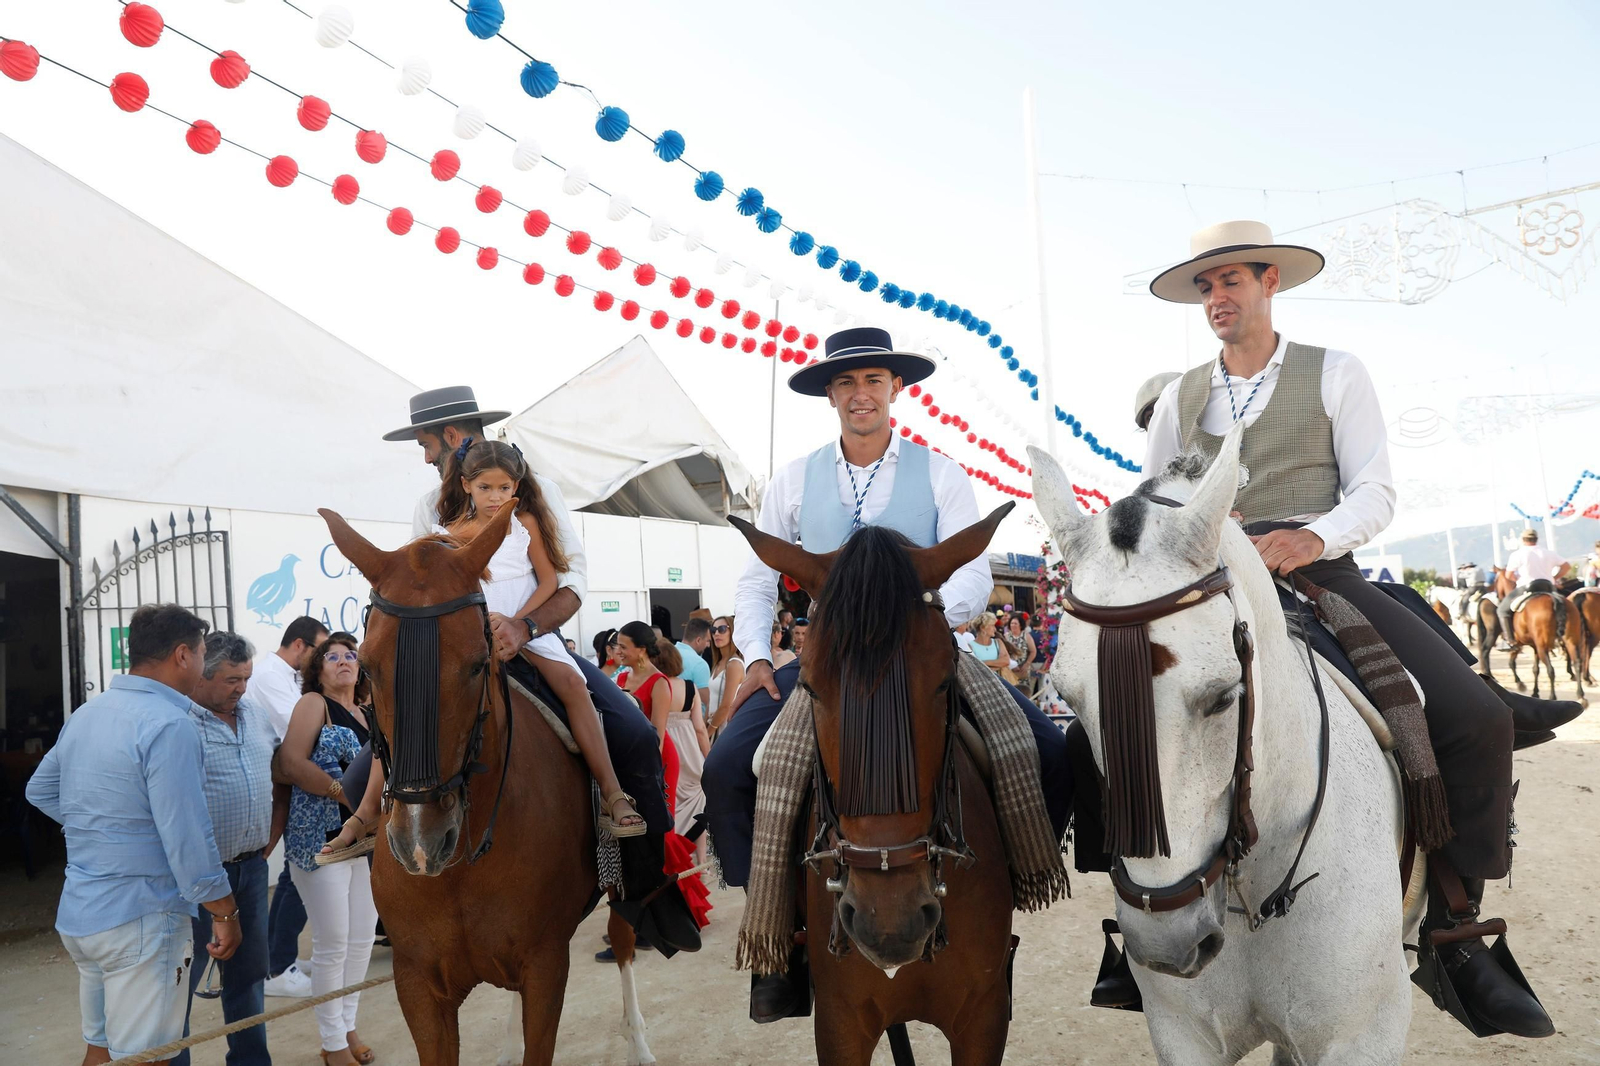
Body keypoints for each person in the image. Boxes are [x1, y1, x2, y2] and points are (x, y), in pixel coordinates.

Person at [1141, 219, 1563, 1037]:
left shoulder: (1335, 371)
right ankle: (1131, 931)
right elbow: (1157, 499)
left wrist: (1312, 537)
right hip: (1209, 584)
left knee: (1474, 720)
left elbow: (1376, 490)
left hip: (1315, 568)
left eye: (1230, 281)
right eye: (1205, 287)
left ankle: (1457, 931)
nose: (1216, 298)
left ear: (1270, 283)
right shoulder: (1176, 397)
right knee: (1119, 715)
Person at [703, 326, 1072, 1023]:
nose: (860, 393)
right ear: (831, 395)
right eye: (846, 383)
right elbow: (757, 578)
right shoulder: (792, 479)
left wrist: (925, 612)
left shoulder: (939, 472)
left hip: (922, 650)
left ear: (895, 389)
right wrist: (755, 656)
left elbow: (970, 572)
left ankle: (1007, 903)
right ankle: (780, 939)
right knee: (729, 767)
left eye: (873, 380)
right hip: (833, 662)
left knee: (1046, 751)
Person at [387, 387, 696, 950]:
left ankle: (643, 887)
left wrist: (524, 628)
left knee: (632, 733)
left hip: (536, 634)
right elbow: (427, 588)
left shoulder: (538, 496)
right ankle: (369, 833)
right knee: (385, 744)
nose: (425, 457)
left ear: (453, 437)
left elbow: (570, 580)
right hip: (461, 653)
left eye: (427, 444)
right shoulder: (428, 509)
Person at [27, 604, 241, 1066]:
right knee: (147, 1059)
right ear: (183, 655)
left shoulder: (89, 712)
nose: (203, 665)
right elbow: (187, 835)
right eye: (203, 653)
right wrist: (224, 910)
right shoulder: (169, 723)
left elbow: (40, 789)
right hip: (142, 919)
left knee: (101, 1049)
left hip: (85, 915)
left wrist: (105, 825)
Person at [435, 439, 645, 838]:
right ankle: (378, 806)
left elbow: (550, 580)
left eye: (504, 488)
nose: (496, 497)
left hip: (529, 629)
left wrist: (518, 624)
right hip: (472, 636)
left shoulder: (525, 523)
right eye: (485, 488)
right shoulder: (450, 532)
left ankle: (613, 792)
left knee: (571, 683)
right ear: (465, 485)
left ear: (516, 485)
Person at [173, 633, 285, 1066]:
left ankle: (251, 1061)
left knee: (248, 975)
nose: (241, 688)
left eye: (246, 678)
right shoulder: (179, 722)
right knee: (179, 981)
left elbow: (279, 775)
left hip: (252, 870)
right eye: (231, 679)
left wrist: (273, 829)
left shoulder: (255, 715)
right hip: (199, 877)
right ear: (202, 676)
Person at [277, 633, 378, 1066]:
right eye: (331, 656)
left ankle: (347, 1026)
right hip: (319, 837)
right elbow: (291, 762)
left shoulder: (371, 712)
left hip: (368, 841)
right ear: (316, 670)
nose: (342, 661)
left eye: (349, 655)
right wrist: (348, 795)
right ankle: (332, 1043)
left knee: (361, 942)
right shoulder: (314, 705)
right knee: (333, 942)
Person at [613, 623, 713, 927]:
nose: (617, 651)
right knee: (641, 838)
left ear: (641, 650)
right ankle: (650, 916)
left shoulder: (658, 682)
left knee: (662, 833)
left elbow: (656, 735)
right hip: (630, 763)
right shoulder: (619, 678)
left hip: (656, 763)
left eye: (623, 646)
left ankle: (682, 912)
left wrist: (643, 772)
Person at [253, 616, 328, 1000]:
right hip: (290, 785)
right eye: (320, 651)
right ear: (299, 645)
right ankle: (278, 968)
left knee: (296, 876)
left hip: (297, 782)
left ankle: (280, 962)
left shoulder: (286, 677)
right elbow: (300, 731)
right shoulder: (269, 675)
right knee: (297, 878)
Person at [1497, 528, 1573, 649]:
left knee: (1502, 610)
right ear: (1536, 539)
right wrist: (1554, 577)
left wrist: (1517, 580)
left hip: (1527, 587)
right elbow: (1566, 566)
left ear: (1522, 540)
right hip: (1548, 587)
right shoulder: (1548, 552)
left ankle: (1510, 641)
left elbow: (1508, 575)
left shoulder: (1518, 554)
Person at [707, 615, 745, 733]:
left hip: (725, 729)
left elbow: (726, 705)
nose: (717, 634)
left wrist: (708, 732)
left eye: (722, 629)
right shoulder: (718, 663)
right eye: (713, 630)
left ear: (732, 632)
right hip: (714, 725)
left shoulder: (734, 664)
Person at [676, 617, 714, 712]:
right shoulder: (700, 664)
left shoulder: (665, 654)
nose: (708, 645)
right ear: (698, 640)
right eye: (708, 641)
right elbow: (705, 703)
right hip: (690, 722)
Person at [1006, 614, 1038, 692]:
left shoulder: (1026, 636)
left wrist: (1027, 664)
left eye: (1015, 623)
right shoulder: (1006, 636)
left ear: (1020, 625)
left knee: (1024, 690)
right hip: (1011, 668)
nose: (1013, 625)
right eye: (1011, 623)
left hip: (1024, 668)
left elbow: (1033, 651)